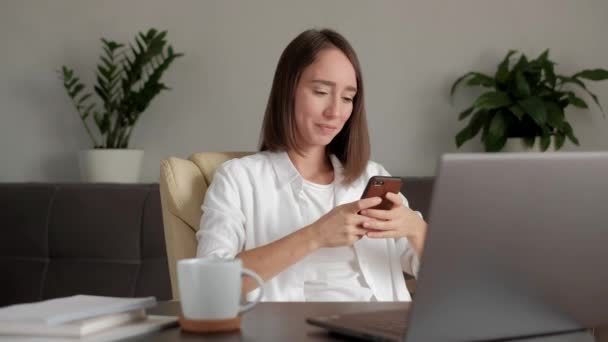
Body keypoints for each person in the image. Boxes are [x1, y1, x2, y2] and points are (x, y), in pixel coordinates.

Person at [196, 28, 427, 302]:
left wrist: (415, 228)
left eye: (347, 98)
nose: (335, 112)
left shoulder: (372, 176)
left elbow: (447, 280)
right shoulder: (239, 179)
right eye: (321, 91)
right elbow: (208, 288)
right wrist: (315, 236)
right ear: (288, 90)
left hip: (386, 328)